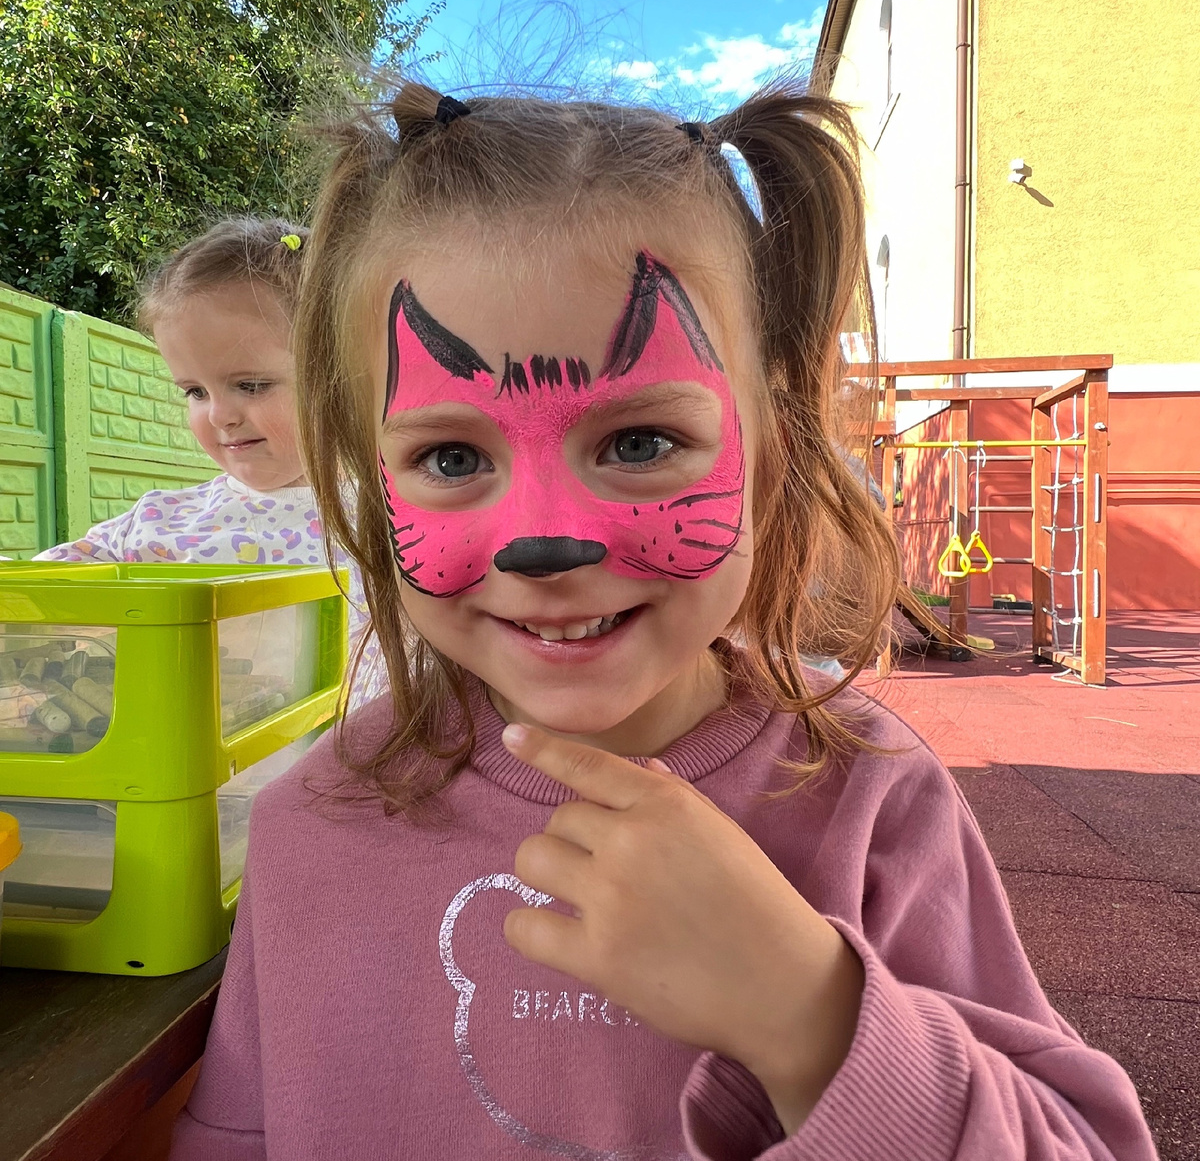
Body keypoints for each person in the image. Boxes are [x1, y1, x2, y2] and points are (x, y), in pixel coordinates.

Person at [170, 84, 1156, 1159]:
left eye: (639, 443)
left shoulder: (871, 804)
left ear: (774, 447)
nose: (545, 543)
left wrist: (809, 1014)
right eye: (450, 457)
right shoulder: (312, 825)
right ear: (370, 473)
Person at [35, 217, 379, 701]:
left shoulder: (390, 525)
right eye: (195, 391)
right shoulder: (158, 523)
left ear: (343, 372)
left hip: (352, 752)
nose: (219, 415)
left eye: (250, 385)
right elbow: (38, 589)